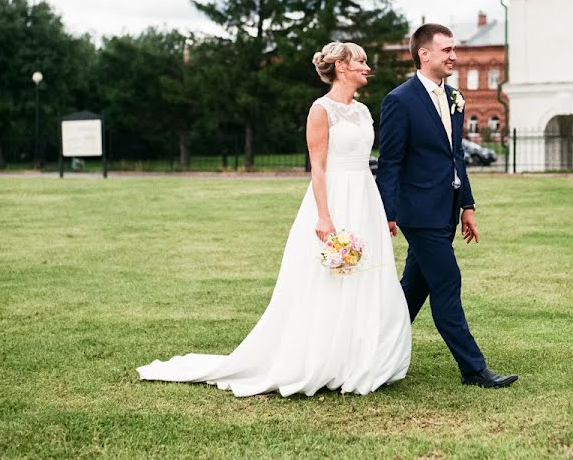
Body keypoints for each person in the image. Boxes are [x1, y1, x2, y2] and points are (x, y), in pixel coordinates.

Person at [137, 42, 412, 397]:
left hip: (364, 196)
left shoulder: (362, 111)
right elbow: (318, 166)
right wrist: (325, 217)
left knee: (365, 276)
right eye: (360, 61)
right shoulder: (320, 109)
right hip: (334, 197)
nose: (366, 66)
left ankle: (358, 358)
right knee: (329, 279)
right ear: (341, 67)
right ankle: (322, 358)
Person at [376, 23, 518, 388]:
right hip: (418, 212)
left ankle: (371, 351)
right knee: (447, 283)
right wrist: (387, 212)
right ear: (424, 55)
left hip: (446, 209)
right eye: (447, 50)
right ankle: (474, 369)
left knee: (412, 289)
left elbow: (456, 156)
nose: (454, 55)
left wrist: (467, 205)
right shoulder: (400, 100)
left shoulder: (455, 97)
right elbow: (390, 162)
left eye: (454, 49)